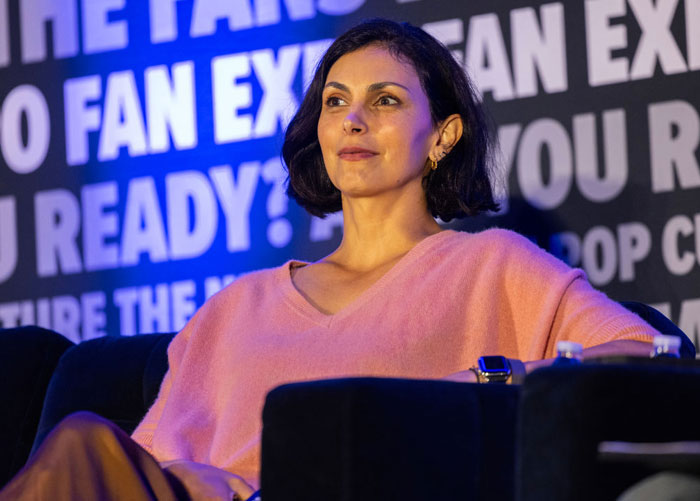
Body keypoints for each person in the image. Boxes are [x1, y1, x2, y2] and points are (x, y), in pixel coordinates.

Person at [0, 18, 658, 501]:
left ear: (443, 137)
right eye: (336, 100)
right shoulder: (235, 306)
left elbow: (648, 353)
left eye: (386, 101)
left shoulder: (492, 267)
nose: (352, 120)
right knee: (80, 443)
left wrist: (491, 376)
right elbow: (136, 465)